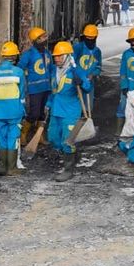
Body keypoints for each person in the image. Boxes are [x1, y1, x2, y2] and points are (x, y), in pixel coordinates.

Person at [46, 40, 92, 182]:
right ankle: (72, 155)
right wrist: (48, 103)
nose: (57, 59)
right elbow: (53, 90)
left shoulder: (76, 71)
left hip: (70, 112)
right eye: (55, 56)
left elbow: (88, 88)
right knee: (53, 138)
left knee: (68, 141)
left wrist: (82, 82)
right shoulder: (54, 71)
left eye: (60, 56)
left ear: (67, 56)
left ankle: (68, 169)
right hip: (56, 110)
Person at [0, 41, 27, 176]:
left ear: (2, 56)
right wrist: (23, 111)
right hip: (14, 111)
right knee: (13, 138)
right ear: (15, 56)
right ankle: (11, 168)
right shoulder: (19, 72)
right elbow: (22, 95)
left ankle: (2, 167)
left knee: (1, 138)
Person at [17, 26, 52, 145]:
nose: (45, 39)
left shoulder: (47, 53)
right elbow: (20, 68)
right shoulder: (29, 54)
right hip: (35, 89)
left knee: (43, 114)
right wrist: (25, 77)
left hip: (46, 88)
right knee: (34, 113)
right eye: (42, 37)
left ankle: (39, 136)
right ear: (36, 40)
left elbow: (51, 69)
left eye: (45, 37)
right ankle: (23, 133)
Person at [73, 24, 102, 113]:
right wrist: (76, 76)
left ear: (95, 38)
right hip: (77, 82)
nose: (89, 41)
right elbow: (71, 64)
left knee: (88, 109)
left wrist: (93, 74)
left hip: (89, 83)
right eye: (87, 39)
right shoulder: (78, 48)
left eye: (92, 39)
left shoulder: (97, 51)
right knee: (76, 108)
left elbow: (98, 67)